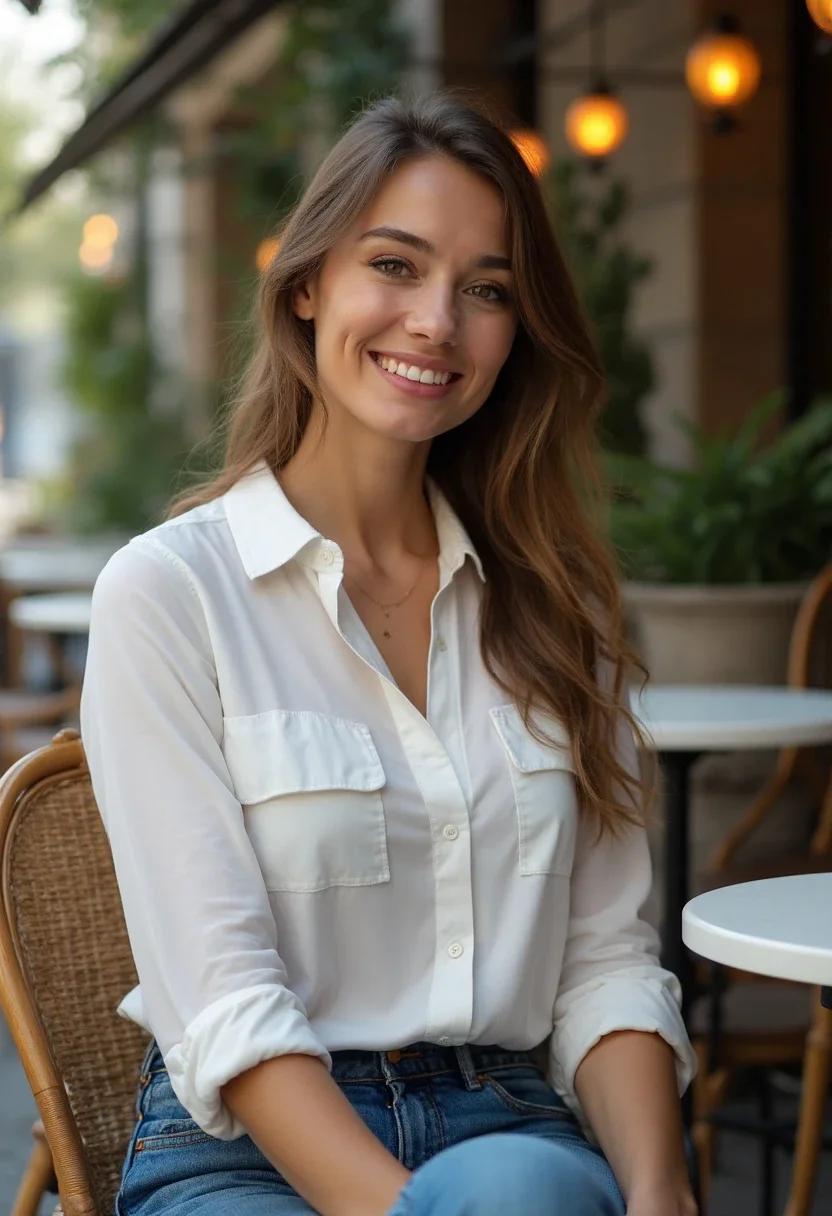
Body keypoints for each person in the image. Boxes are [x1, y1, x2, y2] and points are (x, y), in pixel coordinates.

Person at [80, 91, 698, 1216]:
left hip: (508, 1126)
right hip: (247, 1151)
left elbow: (603, 964)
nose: (436, 322)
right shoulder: (171, 595)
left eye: (486, 290)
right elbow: (224, 1000)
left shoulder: (559, 610)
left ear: (516, 335)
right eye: (396, 266)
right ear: (307, 283)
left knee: (515, 1192)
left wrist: (663, 1197)